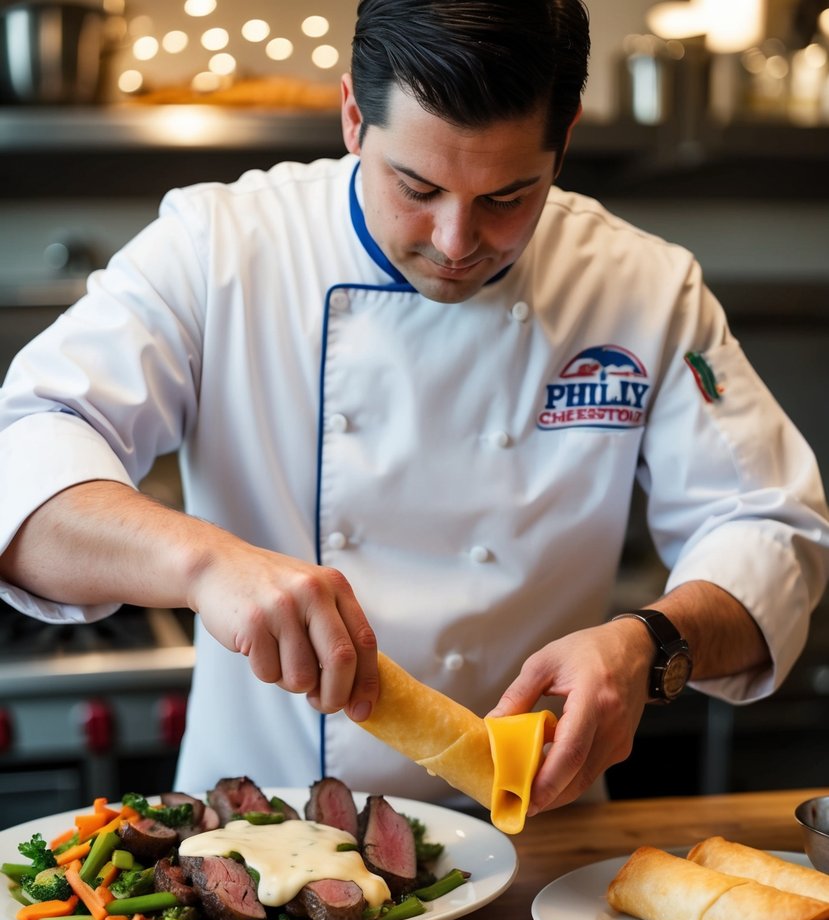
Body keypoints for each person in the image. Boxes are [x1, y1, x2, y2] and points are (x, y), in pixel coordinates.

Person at [0, 0, 827, 817]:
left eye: (508, 196)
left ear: (565, 137)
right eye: (417, 186)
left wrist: (650, 644)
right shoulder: (220, 247)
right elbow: (26, 456)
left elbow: (769, 530)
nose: (456, 240)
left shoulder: (643, 286)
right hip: (255, 837)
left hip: (534, 841)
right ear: (354, 117)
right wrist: (203, 564)